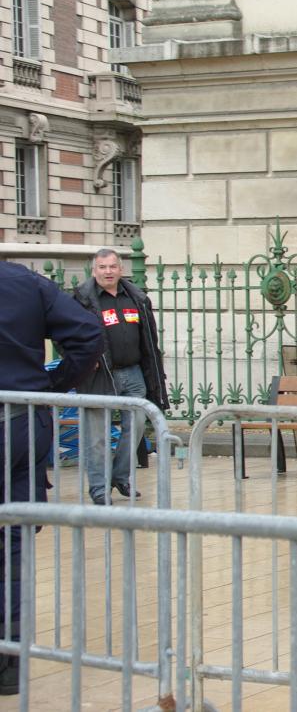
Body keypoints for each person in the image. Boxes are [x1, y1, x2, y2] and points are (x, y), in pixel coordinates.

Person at [0, 262, 103, 694]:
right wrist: (51, 386)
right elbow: (88, 334)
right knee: (14, 542)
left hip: (24, 413)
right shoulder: (24, 281)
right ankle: (9, 662)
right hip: (22, 419)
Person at [73, 249, 169, 505]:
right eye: (102, 267)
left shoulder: (136, 298)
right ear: (94, 271)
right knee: (97, 437)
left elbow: (150, 339)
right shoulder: (81, 299)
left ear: (121, 269)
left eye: (112, 266)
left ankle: (120, 477)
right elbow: (65, 337)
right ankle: (98, 489)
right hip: (100, 377)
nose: (108, 272)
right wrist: (83, 359)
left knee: (136, 428)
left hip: (134, 373)